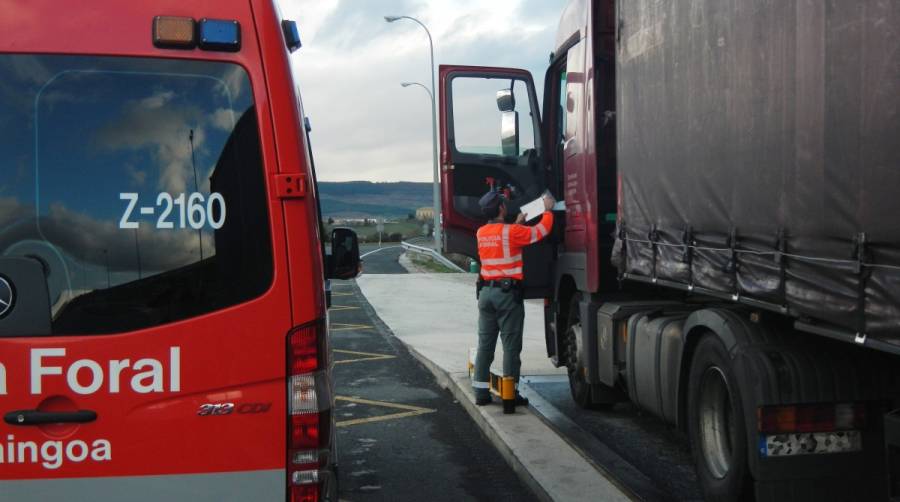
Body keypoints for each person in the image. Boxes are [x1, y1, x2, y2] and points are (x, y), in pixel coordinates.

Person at [472, 190, 555, 406]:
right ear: (501, 208)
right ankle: (510, 396)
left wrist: (518, 223)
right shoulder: (512, 232)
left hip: (486, 294)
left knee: (485, 344)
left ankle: (481, 393)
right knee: (510, 346)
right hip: (507, 296)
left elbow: (506, 237)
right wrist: (547, 210)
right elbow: (541, 231)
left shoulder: (481, 232)